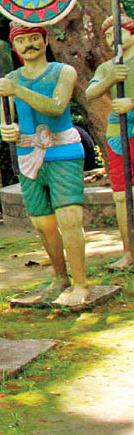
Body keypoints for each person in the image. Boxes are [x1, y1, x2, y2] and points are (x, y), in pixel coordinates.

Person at [0, 23, 91, 307]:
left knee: (69, 217)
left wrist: (17, 90)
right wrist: (6, 130)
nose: (29, 45)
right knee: (42, 221)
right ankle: (60, 277)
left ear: (45, 41)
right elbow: (5, 119)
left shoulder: (63, 72)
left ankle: (81, 282)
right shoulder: (9, 79)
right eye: (22, 41)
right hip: (28, 156)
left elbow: (56, 107)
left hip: (63, 151)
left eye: (34, 38)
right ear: (15, 47)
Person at [84, 14, 134, 268]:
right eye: (106, 35)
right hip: (118, 134)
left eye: (116, 31)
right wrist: (111, 79)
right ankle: (129, 252)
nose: (112, 38)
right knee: (121, 196)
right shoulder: (107, 67)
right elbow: (91, 92)